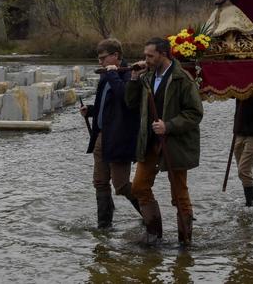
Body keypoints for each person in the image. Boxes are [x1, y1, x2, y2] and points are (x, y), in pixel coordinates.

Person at [125, 37, 203, 246]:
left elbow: (195, 113)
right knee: (139, 186)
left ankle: (185, 241)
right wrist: (133, 78)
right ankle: (154, 234)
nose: (146, 59)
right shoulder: (146, 77)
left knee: (179, 194)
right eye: (145, 56)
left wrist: (168, 126)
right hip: (149, 142)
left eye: (150, 56)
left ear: (164, 54)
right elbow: (131, 103)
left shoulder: (182, 79)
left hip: (174, 144)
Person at [79, 39, 141, 229]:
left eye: (103, 58)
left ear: (116, 55)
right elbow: (107, 105)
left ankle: (149, 214)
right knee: (99, 181)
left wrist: (113, 74)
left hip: (119, 137)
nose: (100, 62)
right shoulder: (107, 75)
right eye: (99, 59)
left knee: (121, 185)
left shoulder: (129, 74)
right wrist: (90, 110)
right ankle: (104, 225)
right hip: (101, 136)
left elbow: (126, 98)